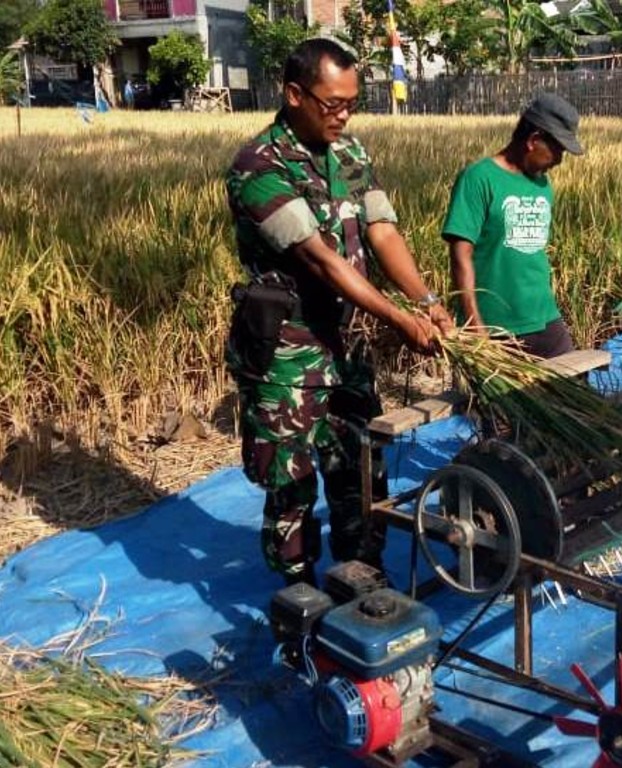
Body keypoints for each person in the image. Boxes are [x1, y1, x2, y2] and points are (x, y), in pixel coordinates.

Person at [225, 37, 452, 588]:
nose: (344, 114)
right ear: (295, 94)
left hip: (347, 348)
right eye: (333, 103)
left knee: (360, 468)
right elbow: (321, 262)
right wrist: (398, 320)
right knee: (291, 482)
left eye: (353, 102)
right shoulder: (259, 166)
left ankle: (363, 579)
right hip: (288, 352)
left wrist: (426, 302)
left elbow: (382, 230)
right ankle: (299, 600)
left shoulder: (351, 155)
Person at [442, 91, 584, 359]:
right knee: (492, 400)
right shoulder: (478, 179)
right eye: (557, 150)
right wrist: (474, 324)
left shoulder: (543, 184)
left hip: (543, 317)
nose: (559, 160)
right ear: (533, 140)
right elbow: (461, 256)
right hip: (495, 326)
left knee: (569, 390)